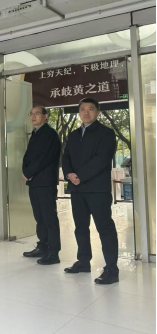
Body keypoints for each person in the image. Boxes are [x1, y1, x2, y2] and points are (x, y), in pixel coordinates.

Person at [62, 98, 119, 285]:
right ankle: (83, 262)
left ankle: (112, 270)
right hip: (77, 189)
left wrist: (80, 175)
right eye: (83, 109)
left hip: (97, 189)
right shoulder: (74, 134)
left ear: (98, 112)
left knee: (105, 228)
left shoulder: (106, 133)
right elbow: (66, 157)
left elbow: (102, 159)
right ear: (79, 112)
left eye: (91, 109)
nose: (86, 113)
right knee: (80, 227)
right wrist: (70, 174)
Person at [22, 106, 62, 265]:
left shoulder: (50, 134)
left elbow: (45, 158)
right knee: (39, 217)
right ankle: (43, 246)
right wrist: (25, 171)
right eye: (31, 114)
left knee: (49, 217)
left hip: (45, 182)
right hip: (34, 182)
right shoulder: (35, 133)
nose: (33, 116)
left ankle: (53, 252)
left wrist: (29, 172)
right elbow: (29, 157)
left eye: (37, 114)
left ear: (46, 117)